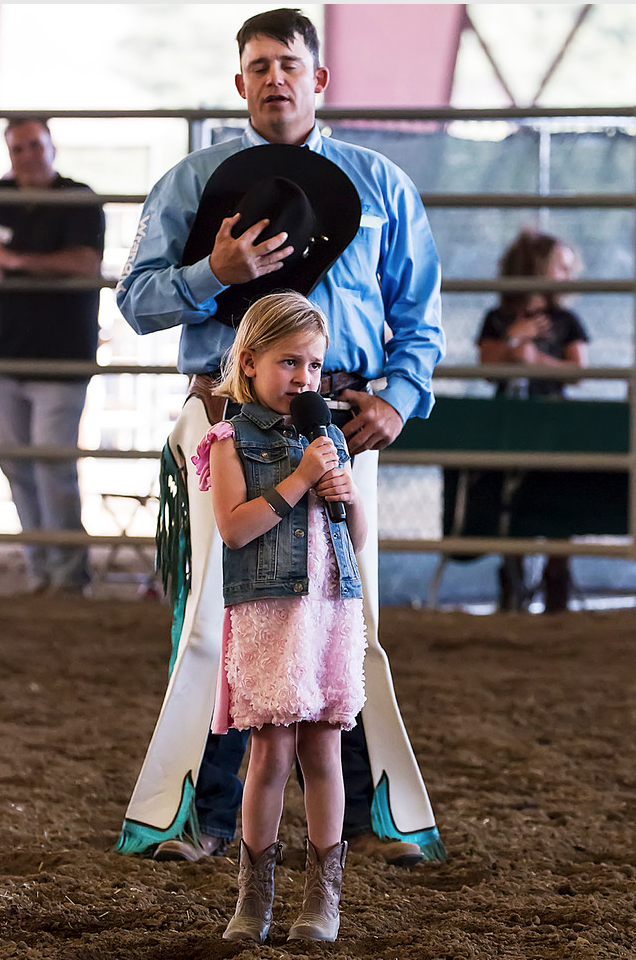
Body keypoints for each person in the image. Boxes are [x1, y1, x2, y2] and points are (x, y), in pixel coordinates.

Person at [115, 7, 447, 868]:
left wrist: (400, 400)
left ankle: (365, 824)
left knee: (347, 611)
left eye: (289, 64)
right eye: (259, 66)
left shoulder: (382, 186)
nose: (275, 79)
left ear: (318, 79)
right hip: (225, 419)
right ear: (240, 84)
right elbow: (136, 301)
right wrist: (211, 276)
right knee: (220, 617)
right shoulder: (192, 183)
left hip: (341, 422)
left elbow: (420, 319)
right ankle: (204, 817)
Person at [192, 291, 367, 943]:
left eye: (315, 366)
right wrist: (298, 479)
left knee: (325, 748)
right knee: (269, 753)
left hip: (328, 611)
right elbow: (236, 529)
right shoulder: (230, 440)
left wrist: (343, 489)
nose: (304, 378)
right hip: (269, 615)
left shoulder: (329, 439)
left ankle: (323, 900)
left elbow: (355, 538)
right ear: (250, 360)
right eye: (289, 362)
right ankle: (253, 898)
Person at [0, 117, 105, 596]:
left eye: (35, 146)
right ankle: (41, 566)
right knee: (17, 464)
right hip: (7, 357)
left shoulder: (78, 199)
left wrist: (18, 263)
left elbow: (86, 263)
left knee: (50, 462)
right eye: (18, 148)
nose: (27, 156)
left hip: (60, 359)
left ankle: (68, 575)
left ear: (52, 147)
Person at [476, 229, 589, 612]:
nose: (569, 276)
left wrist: (537, 361)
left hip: (554, 420)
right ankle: (513, 578)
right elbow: (487, 366)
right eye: (562, 267)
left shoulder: (566, 320)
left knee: (560, 490)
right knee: (512, 494)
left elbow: (578, 370)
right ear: (537, 269)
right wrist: (512, 341)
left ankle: (558, 577)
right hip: (509, 420)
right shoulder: (498, 318)